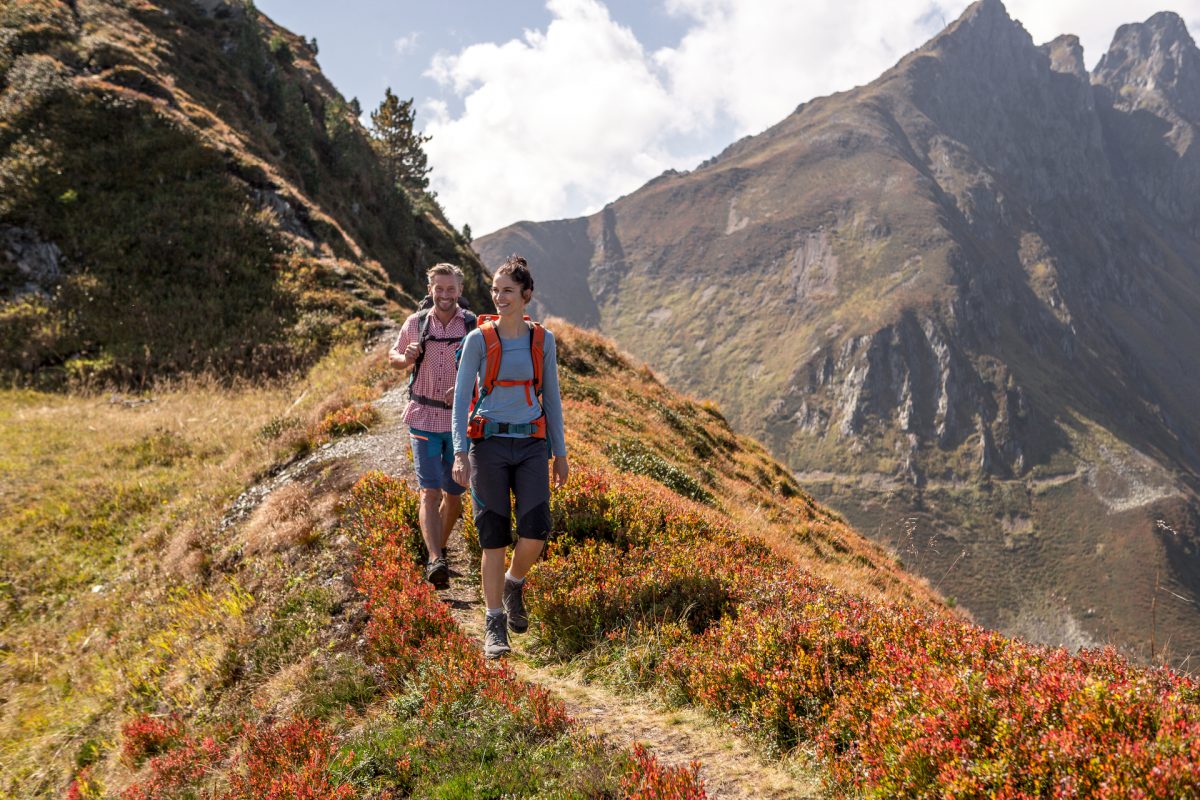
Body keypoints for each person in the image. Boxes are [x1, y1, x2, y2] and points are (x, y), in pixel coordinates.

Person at [451, 255, 569, 659]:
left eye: (508, 290)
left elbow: (551, 398)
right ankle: (494, 623)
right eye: (495, 290)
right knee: (494, 539)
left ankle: (514, 583)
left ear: (526, 294)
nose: (499, 297)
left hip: (533, 444)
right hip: (489, 446)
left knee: (537, 529)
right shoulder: (478, 340)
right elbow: (462, 400)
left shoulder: (544, 340)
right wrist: (460, 452)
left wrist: (560, 453)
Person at [389, 263, 476, 589]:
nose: (444, 294)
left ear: (459, 290)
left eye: (450, 289)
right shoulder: (415, 324)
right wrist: (407, 359)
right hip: (423, 417)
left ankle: (432, 552)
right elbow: (393, 356)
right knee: (430, 492)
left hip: (458, 423)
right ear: (430, 289)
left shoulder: (472, 326)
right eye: (439, 288)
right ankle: (436, 559)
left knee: (454, 494)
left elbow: (486, 368)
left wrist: (469, 390)